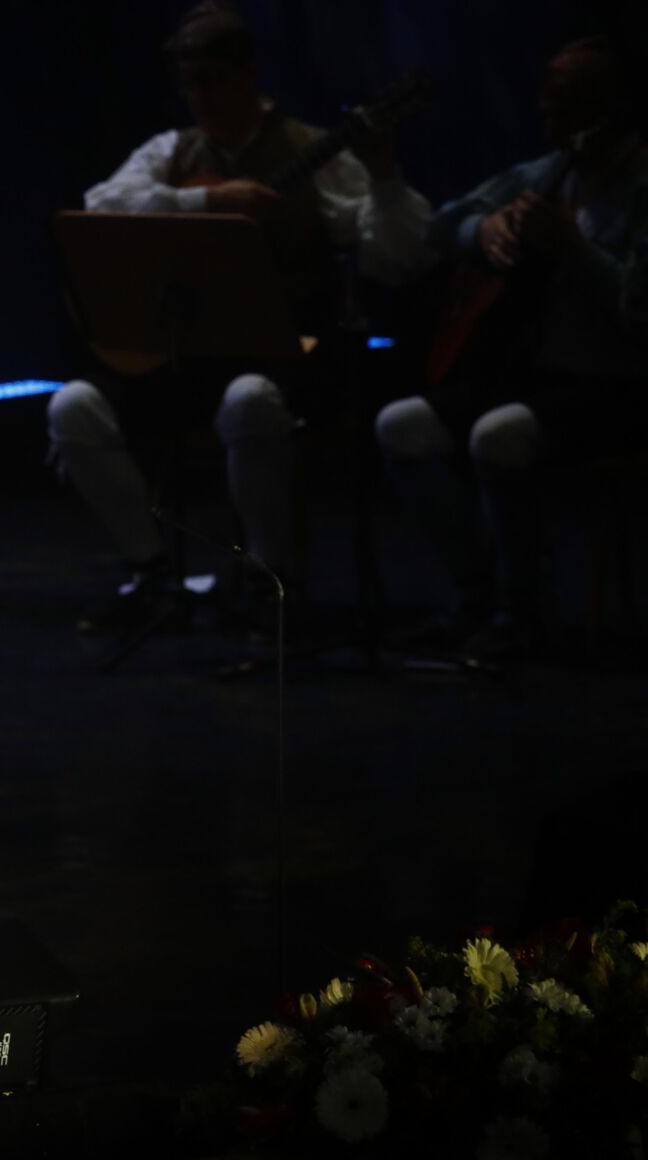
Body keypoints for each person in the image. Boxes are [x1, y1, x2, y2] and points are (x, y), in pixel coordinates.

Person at [44, 1, 430, 635]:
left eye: (213, 80)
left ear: (248, 75)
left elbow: (398, 255)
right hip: (182, 358)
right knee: (73, 408)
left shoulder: (312, 150)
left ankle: (269, 578)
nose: (200, 97)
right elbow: (102, 204)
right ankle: (151, 571)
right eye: (189, 83)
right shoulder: (172, 151)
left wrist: (384, 174)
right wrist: (207, 199)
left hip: (284, 355)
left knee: (250, 400)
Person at [375, 36, 648, 663]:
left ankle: (520, 611)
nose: (553, 122)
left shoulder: (638, 189)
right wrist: (484, 227)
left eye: (570, 107)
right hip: (541, 378)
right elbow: (440, 226)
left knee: (497, 436)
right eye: (548, 107)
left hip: (618, 384)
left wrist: (574, 251)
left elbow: (639, 307)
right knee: (402, 426)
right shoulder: (542, 173)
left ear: (610, 107)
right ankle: (474, 594)